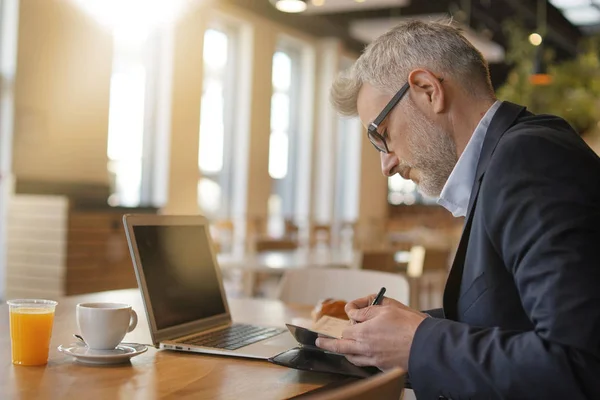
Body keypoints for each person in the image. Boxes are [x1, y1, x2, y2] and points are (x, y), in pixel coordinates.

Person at [316, 20, 600, 399]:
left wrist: (418, 341)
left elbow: (579, 364)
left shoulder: (526, 160)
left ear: (427, 90)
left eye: (380, 135)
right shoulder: (508, 159)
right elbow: (512, 320)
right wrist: (398, 330)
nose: (385, 164)